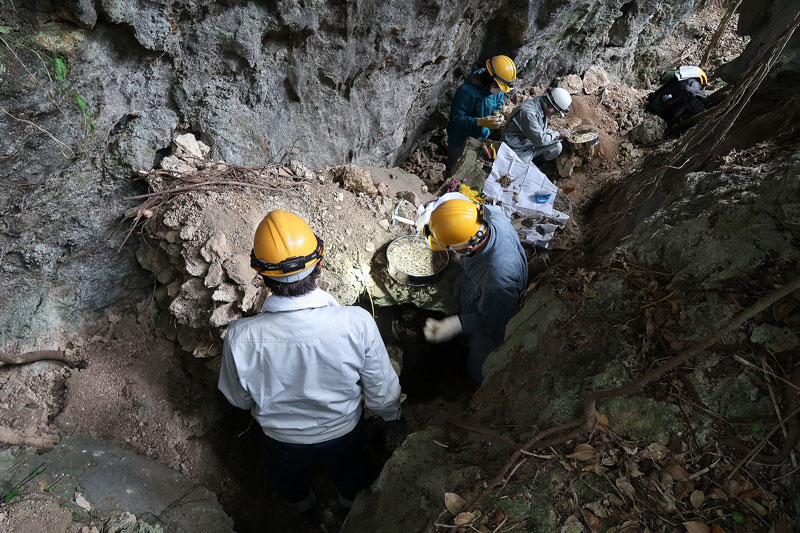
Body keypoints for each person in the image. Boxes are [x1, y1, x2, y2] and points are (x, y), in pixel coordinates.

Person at [218, 209, 405, 513]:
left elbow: (238, 399)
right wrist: (392, 418)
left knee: (288, 481)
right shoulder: (356, 323)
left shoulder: (241, 337)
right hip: (344, 433)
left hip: (281, 441)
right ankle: (347, 510)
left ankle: (304, 509)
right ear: (319, 264)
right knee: (353, 476)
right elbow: (381, 390)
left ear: (262, 275)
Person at [421, 197, 528, 382]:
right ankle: (462, 345)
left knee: (480, 364)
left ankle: (476, 387)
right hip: (474, 291)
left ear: (468, 247)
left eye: (452, 249)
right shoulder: (490, 216)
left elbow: (497, 320)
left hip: (493, 323)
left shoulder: (498, 279)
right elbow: (458, 212)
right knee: (465, 339)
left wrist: (457, 324)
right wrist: (434, 222)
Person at [446, 55, 517, 176]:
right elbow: (456, 119)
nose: (499, 90)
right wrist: (480, 122)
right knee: (454, 169)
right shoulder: (466, 92)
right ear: (488, 80)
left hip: (481, 137)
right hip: (460, 139)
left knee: (472, 167)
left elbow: (498, 102)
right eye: (497, 87)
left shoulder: (495, 88)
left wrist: (496, 114)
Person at [502, 87, 573, 165]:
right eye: (555, 112)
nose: (554, 115)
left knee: (556, 147)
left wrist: (556, 135)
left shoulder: (541, 107)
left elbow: (540, 132)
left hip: (529, 143)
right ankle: (528, 166)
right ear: (550, 108)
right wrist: (558, 134)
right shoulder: (528, 113)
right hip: (515, 149)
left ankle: (535, 163)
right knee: (530, 174)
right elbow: (540, 140)